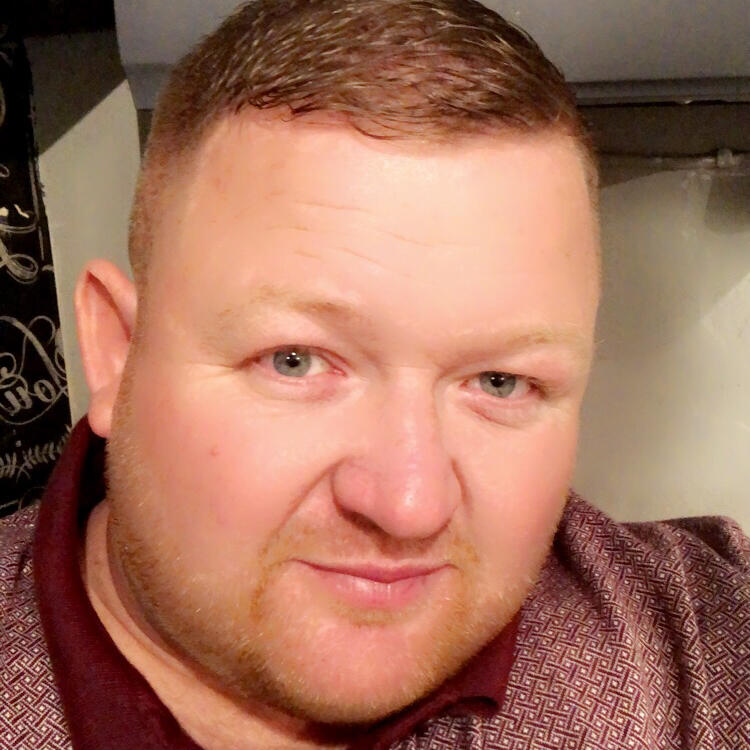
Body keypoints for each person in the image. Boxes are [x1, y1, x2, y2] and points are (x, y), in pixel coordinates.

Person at [2, 1, 749, 748]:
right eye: (295, 362)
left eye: (499, 381)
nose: (409, 506)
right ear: (118, 352)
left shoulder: (698, 649)